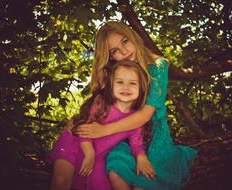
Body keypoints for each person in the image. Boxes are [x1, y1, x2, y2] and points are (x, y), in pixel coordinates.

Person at [73, 21, 198, 190]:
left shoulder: (158, 66)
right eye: (114, 50)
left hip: (152, 138)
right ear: (110, 56)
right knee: (116, 172)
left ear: (133, 36)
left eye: (125, 41)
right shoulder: (116, 72)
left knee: (142, 182)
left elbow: (145, 115)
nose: (123, 51)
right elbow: (96, 105)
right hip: (121, 138)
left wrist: (103, 130)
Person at [50, 60, 155, 190]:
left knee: (100, 184)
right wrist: (89, 154)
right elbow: (84, 129)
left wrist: (141, 157)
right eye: (120, 82)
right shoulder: (102, 104)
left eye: (132, 83)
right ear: (111, 85)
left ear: (141, 88)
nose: (126, 87)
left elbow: (136, 144)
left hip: (99, 155)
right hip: (77, 144)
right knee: (61, 181)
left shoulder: (135, 119)